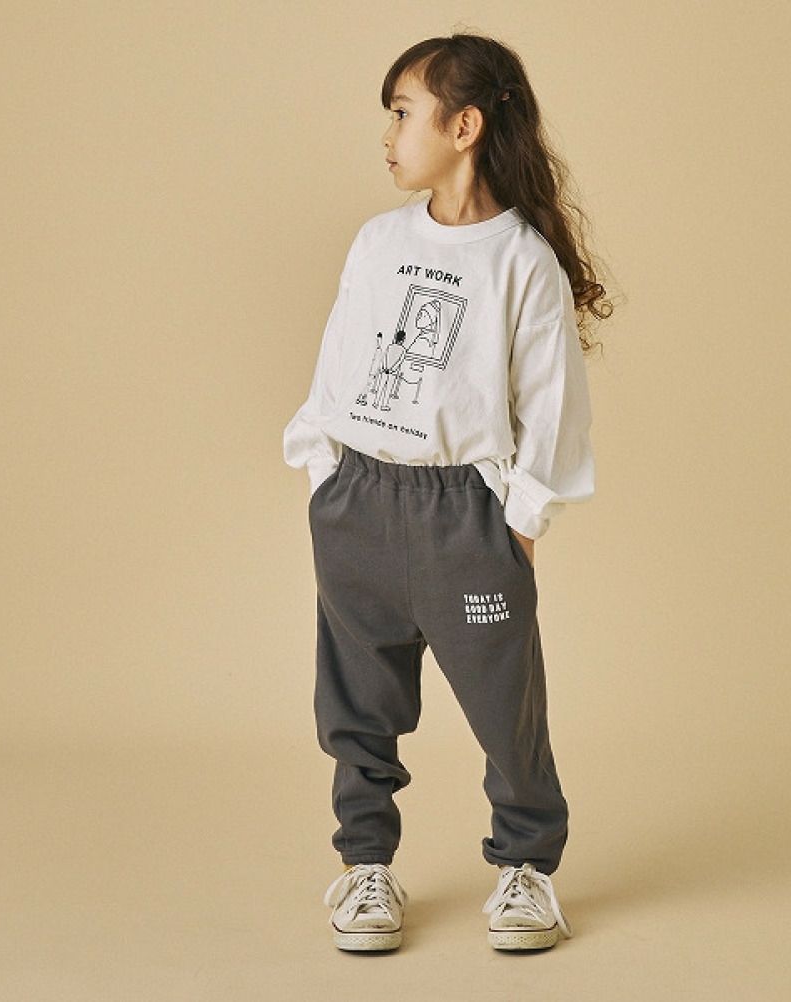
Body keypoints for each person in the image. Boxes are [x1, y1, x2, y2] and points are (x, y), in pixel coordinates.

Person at [283, 30, 616, 953]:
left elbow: (551, 405)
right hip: (358, 501)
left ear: (463, 127)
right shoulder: (379, 241)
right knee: (354, 701)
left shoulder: (521, 261)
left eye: (403, 114)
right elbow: (338, 365)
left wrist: (519, 525)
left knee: (506, 704)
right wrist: (324, 474)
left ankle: (527, 868)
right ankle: (366, 866)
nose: (388, 136)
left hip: (464, 515)